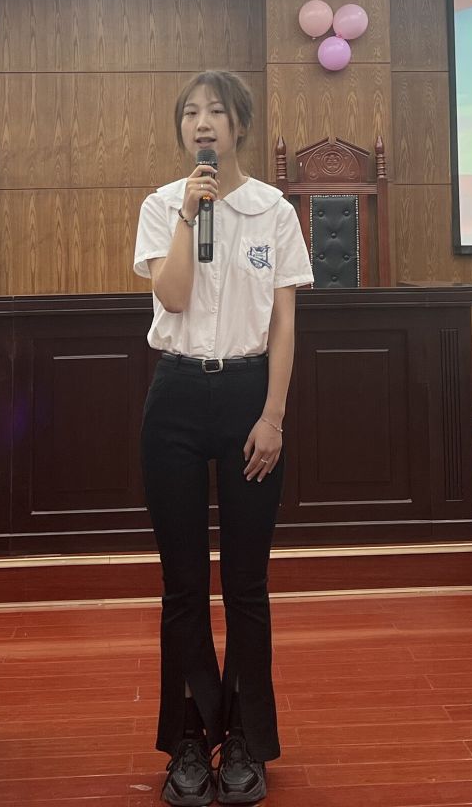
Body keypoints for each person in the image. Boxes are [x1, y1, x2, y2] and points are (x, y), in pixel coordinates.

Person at [133, 70, 312, 805]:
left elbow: (285, 324)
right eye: (190, 113)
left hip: (247, 396)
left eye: (215, 111)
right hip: (175, 396)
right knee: (182, 585)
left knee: (245, 584)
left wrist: (273, 417)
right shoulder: (161, 205)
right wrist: (188, 213)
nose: (201, 123)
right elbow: (173, 296)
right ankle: (187, 737)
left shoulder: (274, 211)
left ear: (240, 124)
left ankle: (243, 738)